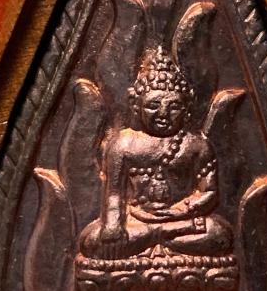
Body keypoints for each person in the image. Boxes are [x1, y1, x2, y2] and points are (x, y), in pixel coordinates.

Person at [80, 47, 233, 259]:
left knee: (219, 234)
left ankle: (156, 236)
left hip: (179, 220)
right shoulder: (123, 144)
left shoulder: (196, 145)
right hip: (137, 221)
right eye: (153, 105)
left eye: (174, 106)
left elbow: (209, 192)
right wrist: (113, 223)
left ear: (186, 108)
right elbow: (114, 194)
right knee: (91, 241)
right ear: (136, 106)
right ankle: (159, 236)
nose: (163, 114)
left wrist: (184, 209)